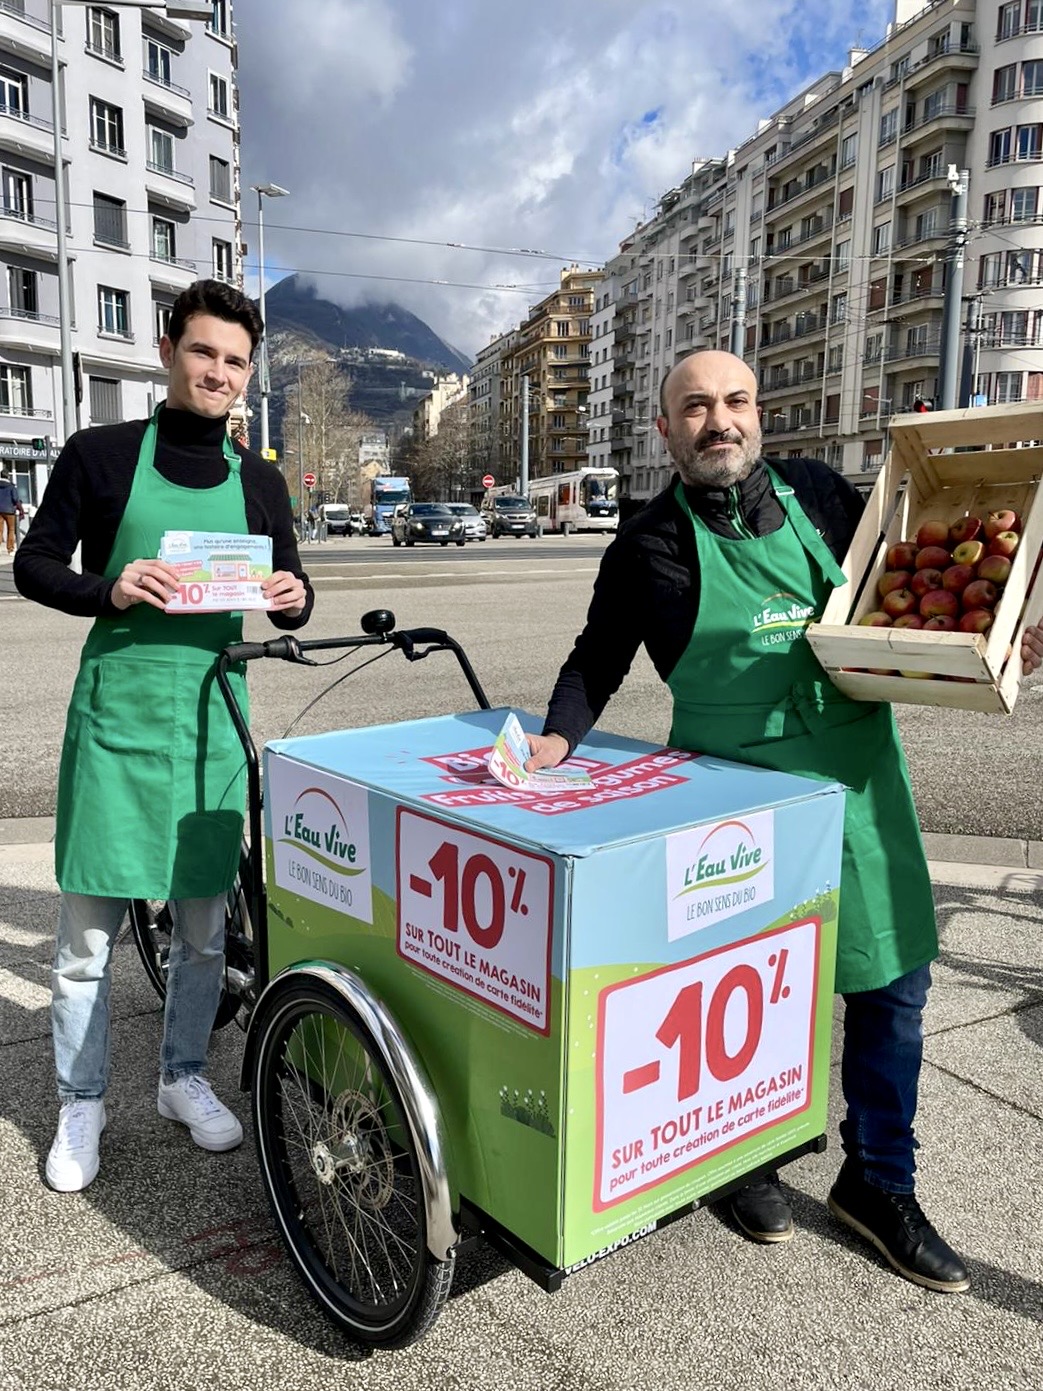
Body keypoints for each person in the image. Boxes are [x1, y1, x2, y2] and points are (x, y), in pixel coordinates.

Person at [526, 349, 1043, 1294]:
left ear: (758, 413)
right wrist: (552, 745)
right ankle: (742, 1161)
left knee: (892, 989)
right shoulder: (645, 543)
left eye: (733, 402)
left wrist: (1000, 635)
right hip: (728, 807)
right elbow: (595, 661)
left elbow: (902, 598)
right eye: (693, 407)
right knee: (752, 997)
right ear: (664, 429)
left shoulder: (820, 494)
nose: (716, 421)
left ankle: (877, 1180)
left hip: (854, 786)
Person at [14, 279, 314, 1193]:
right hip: (117, 719)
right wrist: (105, 588)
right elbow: (31, 565)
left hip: (210, 726)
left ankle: (182, 1077)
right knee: (84, 942)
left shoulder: (258, 480)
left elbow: (292, 582)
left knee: (205, 931)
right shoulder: (98, 456)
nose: (218, 371)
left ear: (247, 375)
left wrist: (296, 596)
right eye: (203, 352)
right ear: (166, 351)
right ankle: (83, 1098)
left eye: (235, 361)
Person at [0, 469, 24, 556]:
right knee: (11, 529)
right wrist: (19, 506)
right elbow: (15, 499)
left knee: (0, 530)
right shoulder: (11, 487)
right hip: (9, 511)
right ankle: (10, 549)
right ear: (8, 476)